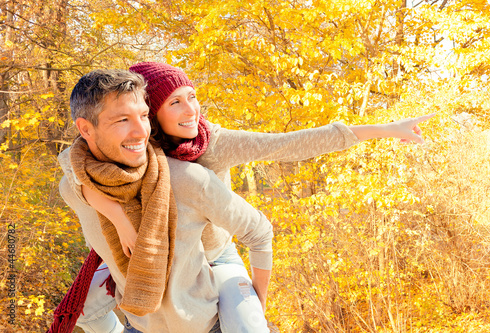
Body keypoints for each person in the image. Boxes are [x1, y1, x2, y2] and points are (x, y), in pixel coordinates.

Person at [67, 61, 434, 333]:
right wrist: (113, 214)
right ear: (153, 110)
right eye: (175, 102)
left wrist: (384, 130)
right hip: (153, 245)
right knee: (81, 308)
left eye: (192, 97)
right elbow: (74, 165)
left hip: (214, 253)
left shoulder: (213, 145)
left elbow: (291, 145)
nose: (191, 110)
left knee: (246, 322)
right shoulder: (135, 141)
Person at [53, 69, 274, 333]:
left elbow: (259, 231)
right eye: (123, 119)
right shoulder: (74, 188)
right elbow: (73, 166)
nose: (140, 131)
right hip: (139, 324)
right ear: (85, 129)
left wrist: (257, 306)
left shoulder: (186, 179)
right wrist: (118, 219)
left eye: (144, 116)